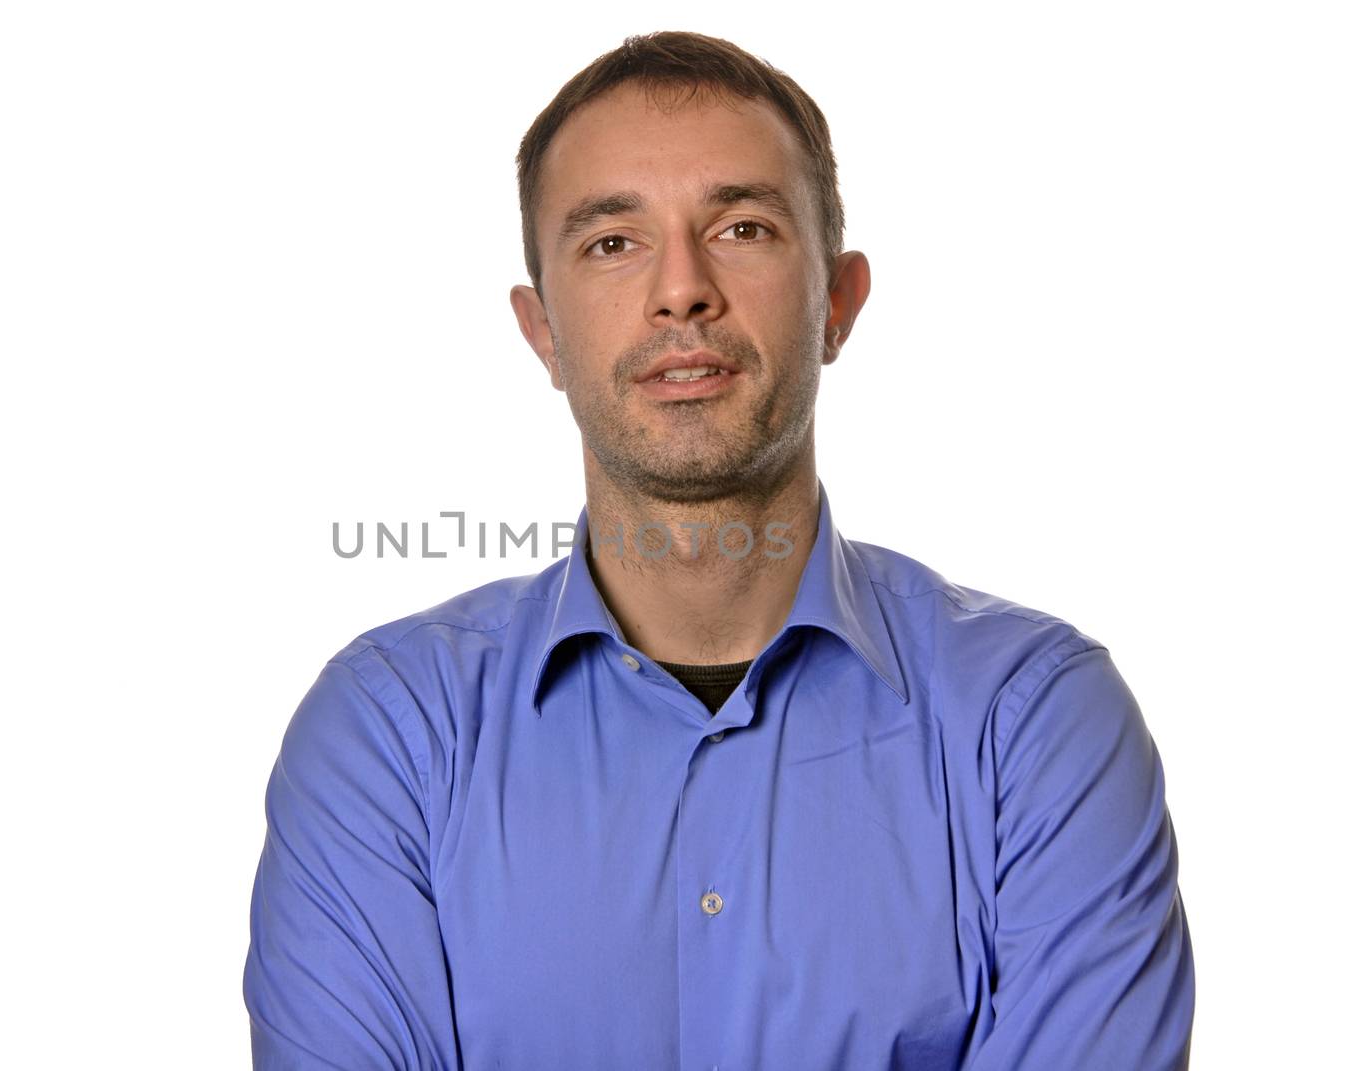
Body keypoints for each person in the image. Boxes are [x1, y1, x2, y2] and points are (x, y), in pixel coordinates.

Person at [243, 29, 1194, 1070]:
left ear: (837, 301)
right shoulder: (389, 735)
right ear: (542, 334)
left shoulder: (1034, 722)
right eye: (613, 242)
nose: (681, 290)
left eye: (741, 228)